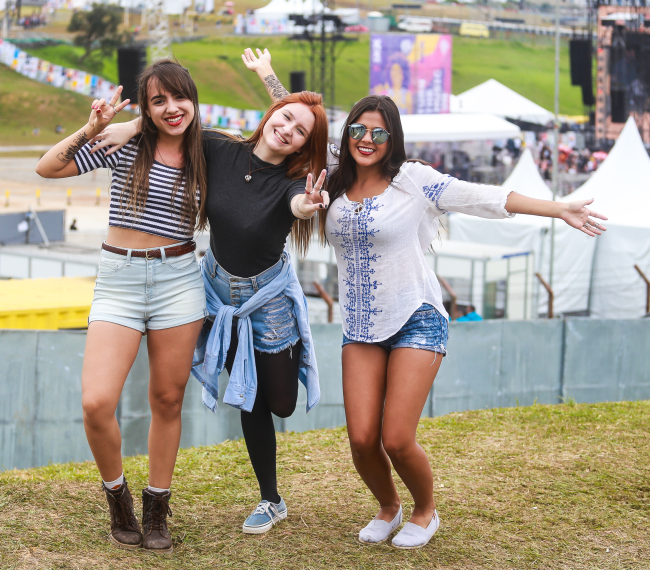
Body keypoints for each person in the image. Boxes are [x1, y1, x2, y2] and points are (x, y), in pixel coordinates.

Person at [248, 52, 608, 550]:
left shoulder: (413, 180)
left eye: (378, 132)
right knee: (360, 440)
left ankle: (424, 509)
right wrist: (266, 74)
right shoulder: (332, 176)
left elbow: (486, 198)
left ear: (392, 139)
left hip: (417, 317)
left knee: (396, 437)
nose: (367, 141)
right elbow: (295, 117)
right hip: (360, 325)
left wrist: (557, 207)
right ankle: (389, 507)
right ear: (347, 135)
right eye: (358, 131)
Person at [94, 72, 330, 539]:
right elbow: (171, 121)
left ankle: (265, 388)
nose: (287, 130)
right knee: (248, 394)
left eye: (300, 131)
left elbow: (300, 205)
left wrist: (306, 206)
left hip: (268, 298)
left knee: (278, 402)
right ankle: (271, 499)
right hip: (218, 293)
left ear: (304, 145)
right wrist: (127, 126)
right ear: (269, 116)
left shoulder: (291, 183)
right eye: (284, 119)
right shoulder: (220, 149)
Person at [36, 62, 207, 555]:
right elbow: (48, 167)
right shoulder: (124, 144)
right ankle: (117, 495)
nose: (171, 109)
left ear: (193, 100)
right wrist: (99, 127)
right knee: (96, 402)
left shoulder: (209, 150)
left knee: (167, 399)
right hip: (120, 280)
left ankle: (157, 505)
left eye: (179, 99)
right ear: (146, 107)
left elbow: (278, 136)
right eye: (157, 102)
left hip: (179, 280)